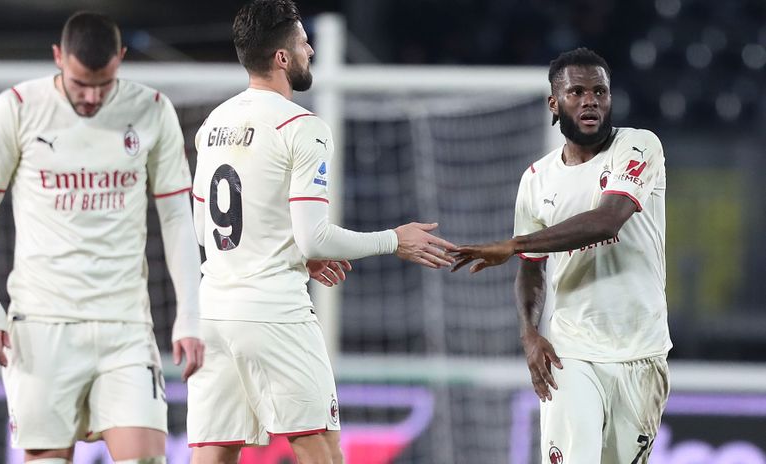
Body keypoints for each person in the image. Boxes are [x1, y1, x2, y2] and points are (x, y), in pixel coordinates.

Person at [186, 1, 457, 462]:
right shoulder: (303, 127)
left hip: (213, 310)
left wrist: (291, 249)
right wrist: (394, 239)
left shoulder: (214, 122)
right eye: (301, 41)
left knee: (214, 452)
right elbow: (314, 237)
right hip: (274, 312)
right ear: (282, 58)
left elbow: (202, 227)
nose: (310, 47)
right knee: (321, 447)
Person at [0, 11, 205, 464]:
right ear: (58, 57)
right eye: (79, 84)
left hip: (126, 325)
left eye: (104, 84)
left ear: (122, 60)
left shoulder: (151, 109)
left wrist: (189, 315)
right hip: (42, 325)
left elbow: (176, 217)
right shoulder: (15, 108)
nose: (92, 97)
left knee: (147, 458)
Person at [452, 47, 671, 463]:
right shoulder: (536, 180)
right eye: (577, 92)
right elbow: (531, 272)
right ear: (555, 103)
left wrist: (514, 244)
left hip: (641, 350)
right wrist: (529, 334)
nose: (590, 100)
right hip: (571, 351)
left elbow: (607, 220)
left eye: (600, 92)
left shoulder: (639, 147)